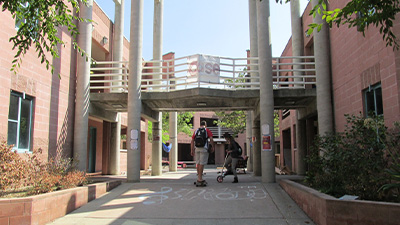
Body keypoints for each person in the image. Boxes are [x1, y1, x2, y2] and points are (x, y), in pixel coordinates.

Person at [191, 120, 214, 186]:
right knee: (202, 163)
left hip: (197, 148)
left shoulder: (196, 131)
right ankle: (200, 179)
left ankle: (199, 177)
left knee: (198, 163)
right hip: (204, 148)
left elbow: (192, 141)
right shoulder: (207, 130)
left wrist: (192, 150)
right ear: (205, 125)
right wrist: (212, 146)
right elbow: (211, 139)